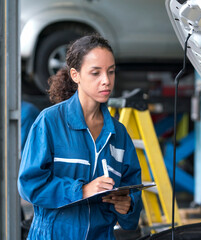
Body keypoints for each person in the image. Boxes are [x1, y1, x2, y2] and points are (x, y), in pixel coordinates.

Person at [18, 34, 142, 239]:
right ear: (75, 75)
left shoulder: (119, 134)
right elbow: (30, 184)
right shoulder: (49, 122)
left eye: (111, 72)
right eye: (96, 73)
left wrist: (128, 206)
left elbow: (132, 200)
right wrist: (82, 190)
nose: (106, 81)